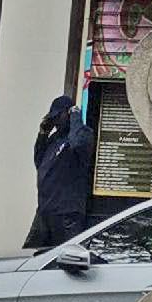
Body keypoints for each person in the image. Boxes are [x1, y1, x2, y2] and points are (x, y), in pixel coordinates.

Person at [25, 94, 94, 249]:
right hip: (45, 211)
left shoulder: (82, 134)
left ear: (68, 113)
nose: (56, 121)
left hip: (67, 214)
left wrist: (75, 116)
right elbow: (39, 162)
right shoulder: (55, 138)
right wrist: (43, 134)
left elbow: (78, 143)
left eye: (58, 116)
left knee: (66, 256)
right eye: (53, 117)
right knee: (34, 254)